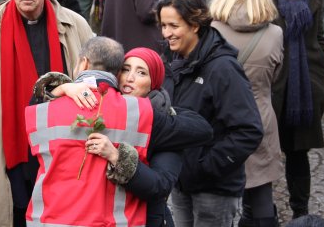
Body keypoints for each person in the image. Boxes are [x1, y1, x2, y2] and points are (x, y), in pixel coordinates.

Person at [0, 0, 93, 227]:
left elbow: (93, 84)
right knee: (17, 214)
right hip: (13, 147)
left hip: (66, 146)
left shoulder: (75, 25)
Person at [48, 43, 214, 227]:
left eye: (142, 72)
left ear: (154, 82)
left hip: (148, 220)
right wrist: (63, 89)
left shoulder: (163, 120)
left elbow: (159, 186)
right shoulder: (103, 108)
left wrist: (118, 158)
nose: (130, 78)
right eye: (125, 69)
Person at [156, 0, 263, 227]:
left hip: (214, 189)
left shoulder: (223, 68)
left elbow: (249, 130)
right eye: (163, 25)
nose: (166, 33)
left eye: (174, 25)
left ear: (195, 25)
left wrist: (204, 167)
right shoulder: (173, 60)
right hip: (181, 181)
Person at [210, 0, 284, 226]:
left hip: (222, 121)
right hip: (260, 117)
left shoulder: (211, 32)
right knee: (262, 194)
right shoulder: (275, 34)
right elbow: (275, 78)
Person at [266, 0, 324, 219]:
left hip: (304, 87)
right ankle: (264, 209)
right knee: (265, 151)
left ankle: (300, 212)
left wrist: (318, 80)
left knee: (298, 153)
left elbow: (320, 39)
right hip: (274, 85)